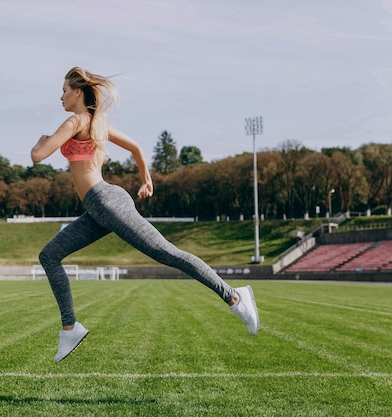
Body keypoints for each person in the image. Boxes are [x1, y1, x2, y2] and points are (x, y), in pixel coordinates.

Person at [31, 67, 259, 362]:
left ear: (77, 92)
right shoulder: (97, 124)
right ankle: (69, 328)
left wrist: (40, 140)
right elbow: (137, 148)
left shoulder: (75, 120)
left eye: (64, 90)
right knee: (49, 255)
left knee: (167, 253)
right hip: (98, 207)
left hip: (105, 201)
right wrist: (145, 179)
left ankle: (235, 296)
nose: (60, 96)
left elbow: (38, 156)